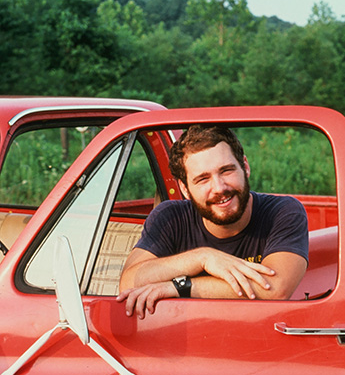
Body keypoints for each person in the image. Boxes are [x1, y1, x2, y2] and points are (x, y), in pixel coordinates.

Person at [117, 124, 308, 319]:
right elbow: (129, 283)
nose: (219, 187)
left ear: (245, 167)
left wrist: (179, 286)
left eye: (226, 171)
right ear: (184, 188)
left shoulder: (283, 212)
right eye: (202, 179)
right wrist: (204, 258)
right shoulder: (170, 217)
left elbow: (274, 290)